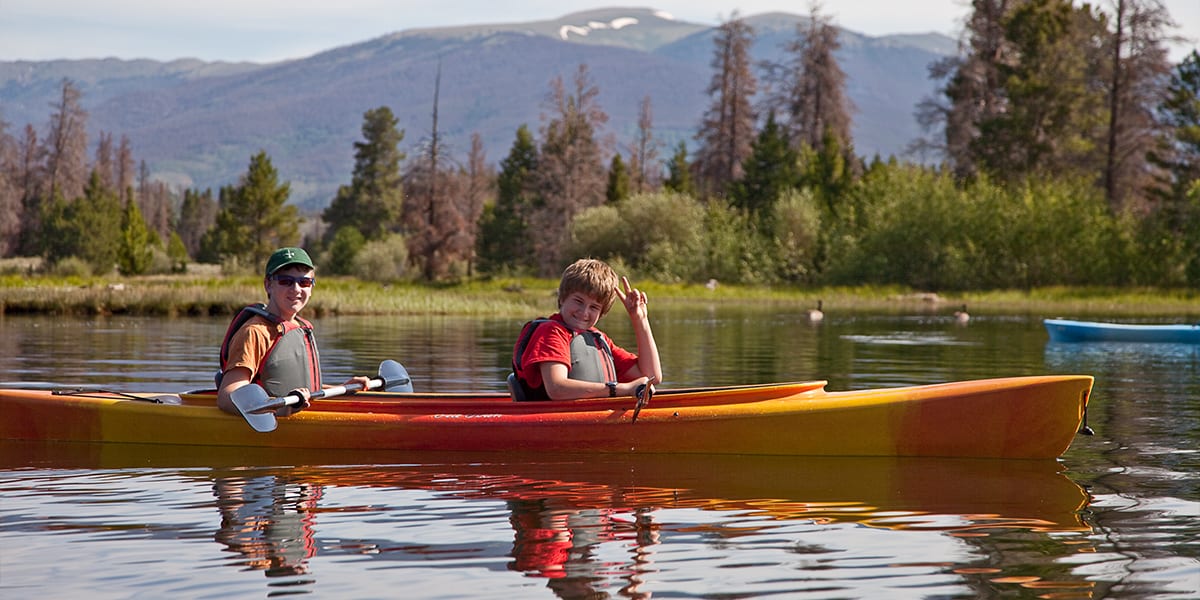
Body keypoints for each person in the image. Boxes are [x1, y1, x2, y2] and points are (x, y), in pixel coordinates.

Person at [216, 247, 369, 416]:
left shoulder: (300, 327)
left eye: (303, 282)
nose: (296, 289)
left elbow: (304, 388)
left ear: (311, 287)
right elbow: (227, 396)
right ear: (268, 285)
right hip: (273, 426)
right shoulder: (255, 332)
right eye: (285, 281)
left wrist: (344, 389)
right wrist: (282, 408)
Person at [512, 258, 662, 401]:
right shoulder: (551, 332)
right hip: (555, 421)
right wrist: (623, 389)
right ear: (562, 298)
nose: (584, 312)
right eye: (578, 301)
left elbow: (651, 377)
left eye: (594, 307)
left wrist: (640, 320)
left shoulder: (597, 338)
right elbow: (556, 388)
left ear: (601, 313)